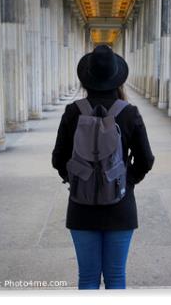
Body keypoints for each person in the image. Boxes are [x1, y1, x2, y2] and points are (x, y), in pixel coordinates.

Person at [51, 44, 155, 289]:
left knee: (87, 278)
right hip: (121, 206)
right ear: (118, 79)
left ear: (87, 80)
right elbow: (146, 160)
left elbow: (58, 158)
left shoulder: (73, 112)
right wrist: (125, 180)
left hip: (81, 205)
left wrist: (79, 177)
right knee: (116, 277)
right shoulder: (129, 113)